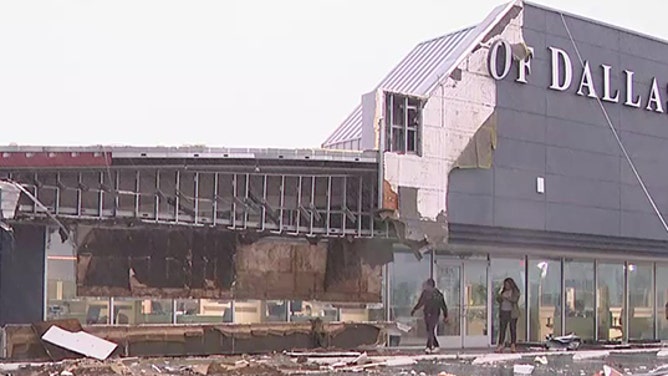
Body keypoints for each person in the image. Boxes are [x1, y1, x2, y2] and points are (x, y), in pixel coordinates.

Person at [410, 278, 448, 353]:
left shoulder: (437, 294)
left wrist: (445, 315)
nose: (427, 287)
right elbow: (421, 302)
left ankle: (429, 346)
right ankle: (436, 345)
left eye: (427, 285)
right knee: (430, 330)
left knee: (430, 330)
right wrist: (414, 310)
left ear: (430, 285)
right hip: (428, 314)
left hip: (434, 314)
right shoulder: (427, 293)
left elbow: (443, 305)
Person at [496, 277, 521, 353]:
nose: (506, 286)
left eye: (508, 284)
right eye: (505, 284)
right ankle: (500, 345)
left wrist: (507, 298)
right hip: (504, 311)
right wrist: (500, 296)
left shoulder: (515, 291)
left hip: (512, 312)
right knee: (502, 329)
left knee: (512, 329)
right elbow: (498, 300)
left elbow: (514, 300)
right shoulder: (503, 291)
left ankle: (513, 345)